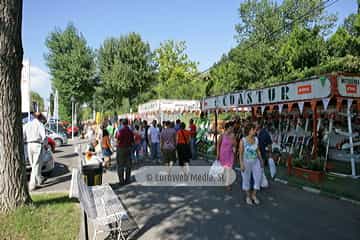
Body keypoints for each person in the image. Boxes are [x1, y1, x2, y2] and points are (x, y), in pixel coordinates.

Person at [239, 123, 264, 205]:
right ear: (249, 131)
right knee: (246, 179)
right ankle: (248, 196)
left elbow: (258, 151)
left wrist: (261, 160)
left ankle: (254, 195)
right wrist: (241, 164)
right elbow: (241, 154)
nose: (255, 131)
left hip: (255, 161)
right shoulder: (243, 141)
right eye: (254, 130)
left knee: (258, 178)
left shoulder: (256, 139)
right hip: (246, 162)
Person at [23, 112, 47, 191]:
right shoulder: (39, 125)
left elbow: (23, 136)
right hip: (37, 145)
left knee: (33, 164)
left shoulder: (27, 124)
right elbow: (44, 137)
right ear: (40, 118)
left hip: (29, 145)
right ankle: (32, 185)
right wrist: (45, 145)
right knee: (35, 165)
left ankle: (40, 179)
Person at [217, 122, 236, 191]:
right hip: (223, 155)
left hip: (230, 155)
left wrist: (234, 147)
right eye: (231, 128)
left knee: (229, 169)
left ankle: (228, 184)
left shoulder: (233, 135)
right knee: (225, 169)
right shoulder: (222, 135)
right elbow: (218, 145)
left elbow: (235, 145)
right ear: (227, 128)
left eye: (232, 128)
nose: (232, 129)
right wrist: (218, 153)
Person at [116, 119, 134, 185]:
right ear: (128, 123)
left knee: (120, 165)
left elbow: (118, 140)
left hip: (121, 149)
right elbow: (132, 141)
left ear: (122, 124)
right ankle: (127, 179)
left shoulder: (120, 131)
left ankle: (121, 181)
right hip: (128, 148)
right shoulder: (130, 131)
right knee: (128, 165)